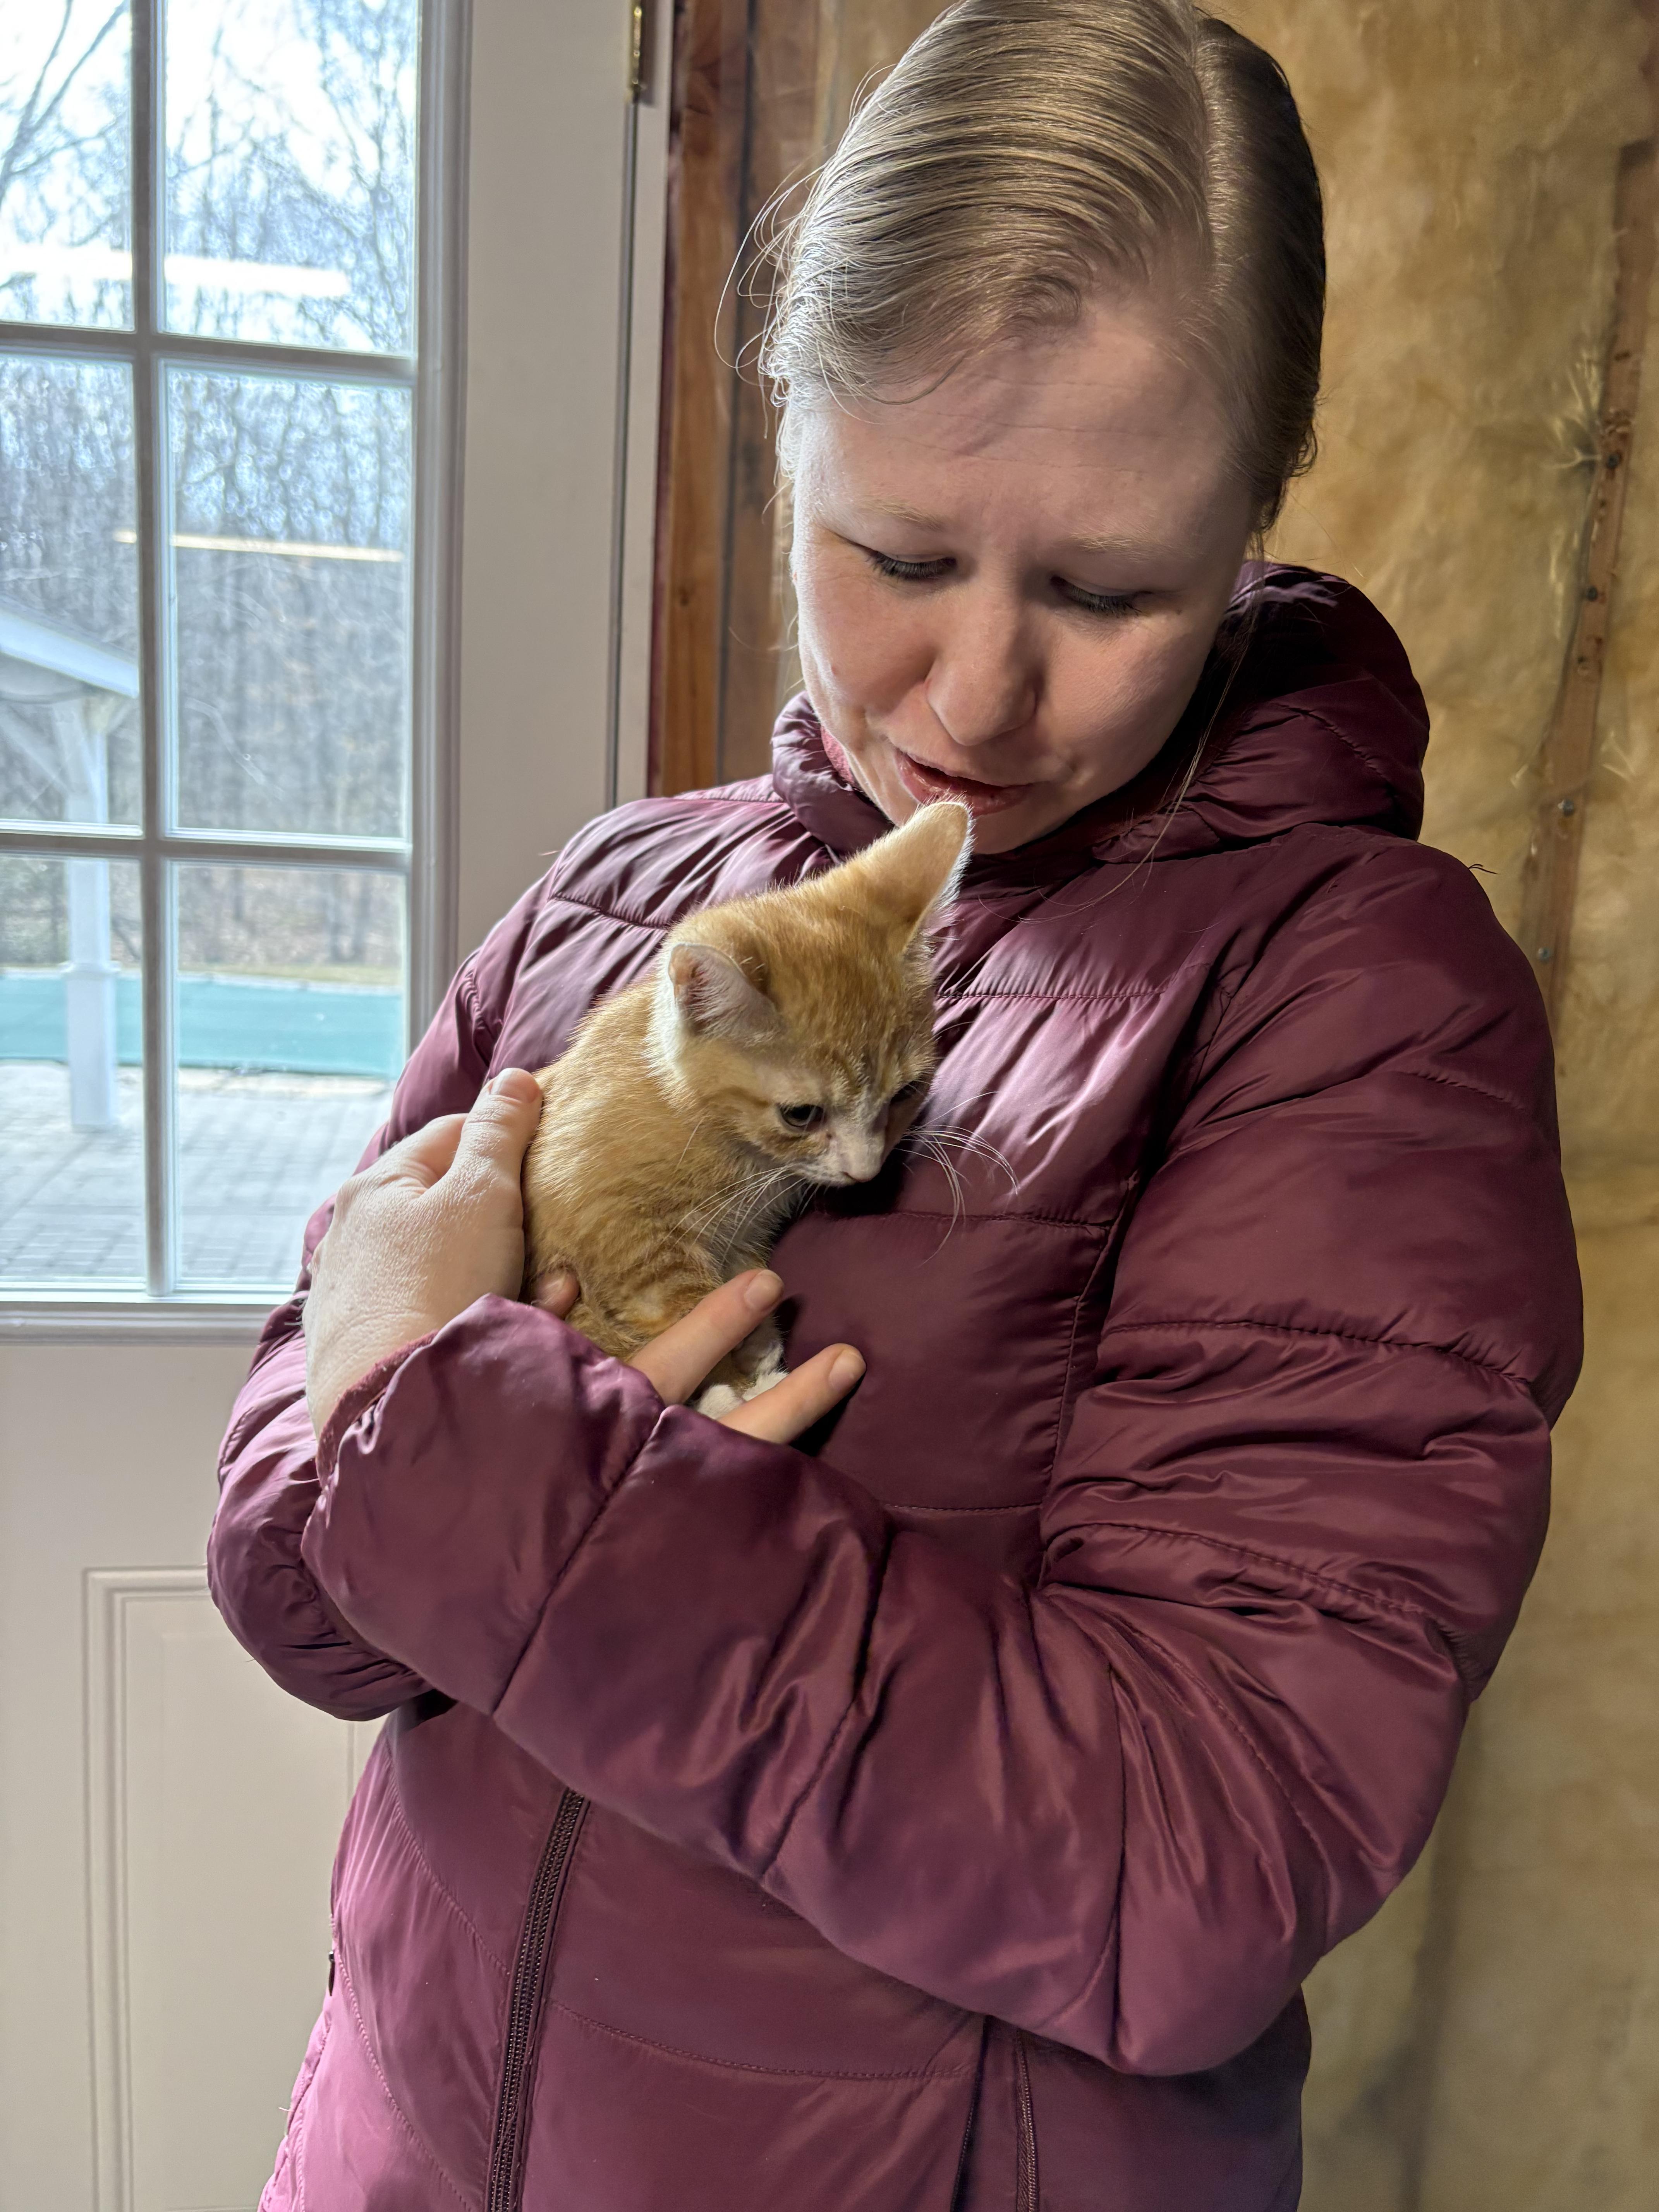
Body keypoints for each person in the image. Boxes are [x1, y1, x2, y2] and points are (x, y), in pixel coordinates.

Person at [209, 1, 1581, 2205]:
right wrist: (387, 1392)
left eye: (1111, 589)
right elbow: (300, 1599)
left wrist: (460, 1420)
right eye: (904, 555)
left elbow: (1193, 1877)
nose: (975, 690)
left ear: (1258, 519)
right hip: (402, 2145)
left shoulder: (1356, 1007)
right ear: (788, 439)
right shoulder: (616, 897)